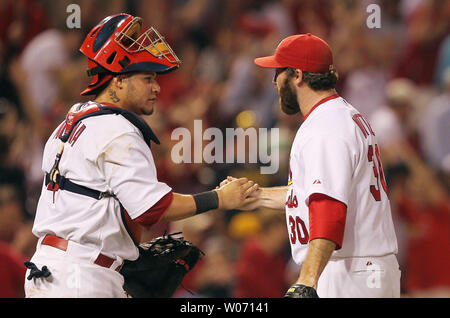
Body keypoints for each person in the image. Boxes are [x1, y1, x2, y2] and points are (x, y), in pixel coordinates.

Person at [24, 13, 258, 298]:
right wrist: (220, 198)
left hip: (55, 268)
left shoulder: (70, 123)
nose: (156, 87)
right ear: (119, 81)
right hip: (81, 275)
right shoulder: (117, 130)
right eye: (147, 78)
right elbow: (152, 209)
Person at [226, 33, 400, 297]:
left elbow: (329, 209)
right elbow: (321, 194)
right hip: (365, 268)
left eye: (278, 72)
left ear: (297, 75)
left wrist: (307, 279)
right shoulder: (343, 114)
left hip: (350, 273)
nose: (274, 81)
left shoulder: (324, 127)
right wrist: (258, 196)